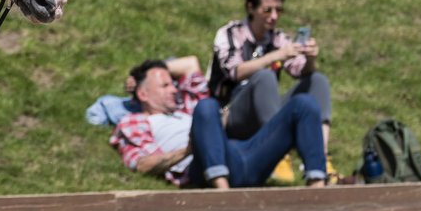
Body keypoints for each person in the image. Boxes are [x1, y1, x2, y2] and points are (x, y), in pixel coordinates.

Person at [111, 59, 327, 189]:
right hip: (199, 163)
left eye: (173, 84)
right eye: (165, 85)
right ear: (143, 93)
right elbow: (142, 164)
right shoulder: (134, 122)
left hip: (237, 152)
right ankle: (221, 191)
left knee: (303, 103)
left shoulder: (185, 106)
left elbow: (189, 64)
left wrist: (157, 67)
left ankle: (317, 185)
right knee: (206, 107)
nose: (174, 89)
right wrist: (188, 150)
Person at [207, 0, 332, 168]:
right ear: (251, 8)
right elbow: (234, 72)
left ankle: (321, 158)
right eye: (267, 10)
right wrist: (275, 56)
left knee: (317, 80)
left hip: (265, 113)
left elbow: (300, 71)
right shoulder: (230, 34)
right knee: (265, 77)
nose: (274, 16)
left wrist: (310, 58)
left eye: (278, 10)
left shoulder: (279, 38)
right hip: (230, 114)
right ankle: (279, 155)